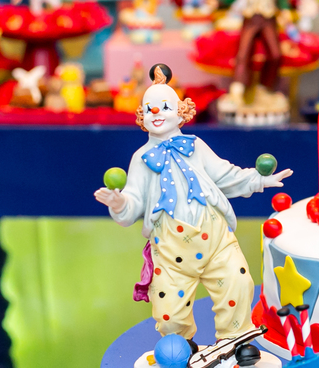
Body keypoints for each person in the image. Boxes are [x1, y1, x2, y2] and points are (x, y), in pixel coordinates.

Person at [95, 64, 292, 348]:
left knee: (237, 281)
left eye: (164, 106)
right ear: (142, 117)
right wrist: (119, 202)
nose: (156, 112)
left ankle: (235, 339)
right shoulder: (141, 158)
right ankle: (179, 346)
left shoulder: (196, 145)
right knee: (168, 309)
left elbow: (225, 175)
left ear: (181, 112)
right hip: (170, 248)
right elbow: (133, 202)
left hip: (216, 239)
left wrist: (258, 179)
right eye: (149, 108)